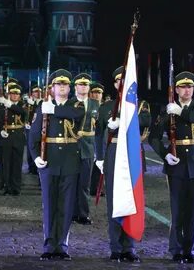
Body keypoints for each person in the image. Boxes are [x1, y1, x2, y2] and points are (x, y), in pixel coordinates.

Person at [148, 71, 194, 264]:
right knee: (177, 210)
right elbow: (154, 137)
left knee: (193, 210)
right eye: (183, 87)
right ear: (176, 90)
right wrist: (165, 154)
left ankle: (190, 250)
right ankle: (176, 249)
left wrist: (180, 112)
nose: (187, 90)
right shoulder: (167, 110)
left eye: (190, 86)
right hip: (176, 164)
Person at [96, 66, 151, 263]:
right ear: (115, 84)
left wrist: (125, 120)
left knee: (132, 203)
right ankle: (116, 247)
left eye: (125, 80)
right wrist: (99, 157)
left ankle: (129, 247)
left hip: (133, 156)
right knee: (114, 203)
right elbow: (98, 133)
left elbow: (147, 120)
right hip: (113, 154)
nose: (122, 83)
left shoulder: (139, 104)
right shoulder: (106, 106)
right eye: (119, 80)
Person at [28, 69, 85, 261]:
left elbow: (76, 114)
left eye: (65, 84)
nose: (62, 87)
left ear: (69, 88)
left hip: (70, 163)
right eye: (58, 84)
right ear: (52, 88)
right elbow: (33, 137)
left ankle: (62, 245)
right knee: (50, 205)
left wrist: (53, 110)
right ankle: (49, 245)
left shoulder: (75, 105)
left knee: (66, 206)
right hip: (49, 162)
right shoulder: (42, 109)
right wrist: (36, 157)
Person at [71, 73, 100, 225]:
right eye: (81, 84)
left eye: (86, 85)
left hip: (88, 148)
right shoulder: (69, 103)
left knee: (84, 184)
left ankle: (83, 214)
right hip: (71, 148)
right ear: (75, 87)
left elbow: (100, 128)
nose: (84, 87)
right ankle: (70, 213)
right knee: (70, 183)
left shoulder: (95, 104)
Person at [0, 83, 26, 195]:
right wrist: (0, 129)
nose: (15, 96)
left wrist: (10, 105)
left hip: (18, 137)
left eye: (17, 94)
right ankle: (6, 186)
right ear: (9, 94)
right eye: (12, 93)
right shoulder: (2, 106)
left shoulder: (23, 105)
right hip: (6, 137)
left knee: (17, 163)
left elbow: (23, 113)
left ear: (20, 95)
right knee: (6, 163)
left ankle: (16, 187)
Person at [89, 82, 106, 196]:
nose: (96, 95)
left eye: (99, 93)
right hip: (89, 139)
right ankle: (89, 187)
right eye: (94, 92)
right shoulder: (87, 105)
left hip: (101, 139)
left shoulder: (105, 108)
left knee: (100, 165)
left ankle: (97, 188)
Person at [24, 83, 42, 175]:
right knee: (30, 147)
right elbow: (23, 113)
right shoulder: (28, 102)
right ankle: (31, 167)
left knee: (39, 147)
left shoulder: (42, 102)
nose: (37, 93)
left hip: (39, 128)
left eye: (39, 91)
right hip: (29, 127)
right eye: (35, 91)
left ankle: (37, 166)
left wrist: (34, 103)